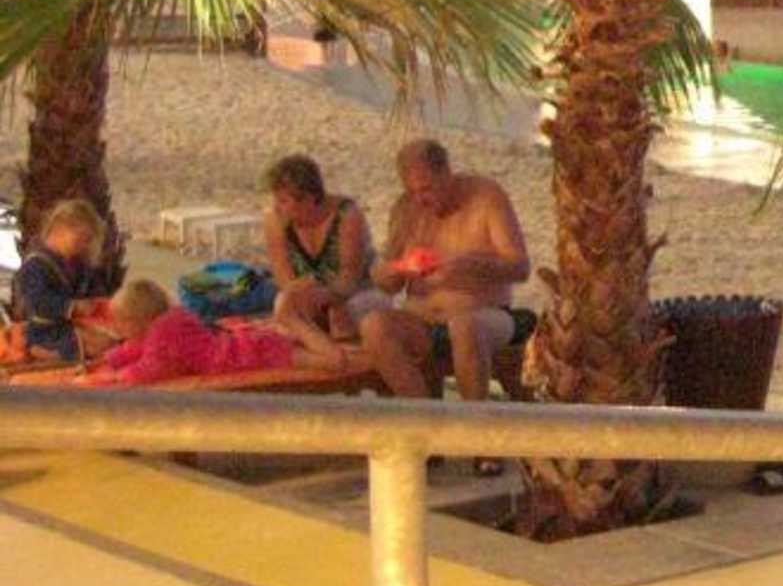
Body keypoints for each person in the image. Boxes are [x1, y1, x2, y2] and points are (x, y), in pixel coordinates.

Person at [359, 139, 530, 404]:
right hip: (421, 319)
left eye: (427, 189)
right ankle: (423, 413)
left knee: (464, 327)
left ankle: (471, 421)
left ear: (446, 173)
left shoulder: (486, 197)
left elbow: (520, 268)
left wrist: (471, 265)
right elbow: (385, 282)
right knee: (374, 326)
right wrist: (397, 269)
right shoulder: (407, 209)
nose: (420, 199)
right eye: (412, 191)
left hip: (483, 314)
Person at [81, 279, 339, 386]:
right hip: (245, 346)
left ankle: (292, 319)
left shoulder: (164, 335)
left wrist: (116, 376)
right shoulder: (163, 327)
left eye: (124, 322)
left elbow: (152, 368)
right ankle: (297, 324)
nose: (119, 328)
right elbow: (136, 348)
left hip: (252, 354)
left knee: (334, 362)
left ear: (143, 320)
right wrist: (110, 359)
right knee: (301, 348)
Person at [261, 154, 375, 365]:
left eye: (284, 201)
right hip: (307, 293)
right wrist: (303, 295)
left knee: (350, 313)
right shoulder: (276, 220)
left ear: (309, 199)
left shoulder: (346, 215)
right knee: (284, 307)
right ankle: (328, 357)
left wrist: (329, 297)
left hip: (354, 291)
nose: (278, 207)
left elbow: (350, 275)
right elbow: (283, 276)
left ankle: (341, 359)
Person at [10, 199, 110, 363]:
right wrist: (72, 306)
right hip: (45, 330)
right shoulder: (35, 265)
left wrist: (92, 302)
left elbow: (89, 289)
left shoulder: (77, 263)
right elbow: (38, 302)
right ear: (59, 229)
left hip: (70, 325)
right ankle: (47, 352)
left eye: (87, 241)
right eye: (80, 239)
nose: (83, 246)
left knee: (105, 341)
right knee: (83, 346)